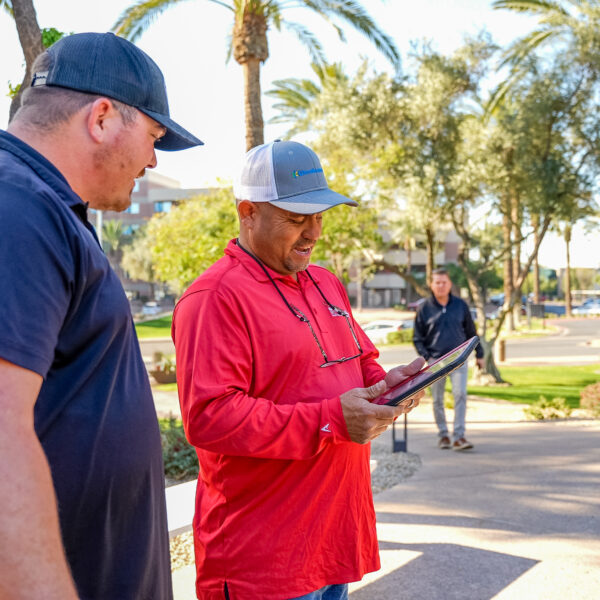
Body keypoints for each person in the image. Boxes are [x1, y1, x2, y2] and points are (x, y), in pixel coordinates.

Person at [172, 140, 425, 600]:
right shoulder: (214, 298)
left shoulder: (325, 281)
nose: (314, 233)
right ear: (248, 212)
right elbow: (209, 417)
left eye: (320, 216)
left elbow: (360, 361)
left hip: (333, 542)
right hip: (263, 562)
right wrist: (329, 418)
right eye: (296, 218)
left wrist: (386, 387)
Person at [0, 32, 202, 599]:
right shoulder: (17, 205)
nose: (153, 159)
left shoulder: (45, 208)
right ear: (104, 117)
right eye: (154, 136)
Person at [412, 268, 485, 451]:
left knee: (460, 394)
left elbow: (471, 332)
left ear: (450, 284)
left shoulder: (460, 305)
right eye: (437, 282)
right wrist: (427, 357)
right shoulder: (424, 308)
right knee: (437, 400)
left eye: (444, 282)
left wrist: (480, 354)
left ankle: (459, 437)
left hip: (459, 360)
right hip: (436, 362)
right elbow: (417, 337)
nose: (441, 285)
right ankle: (443, 435)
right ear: (431, 285)